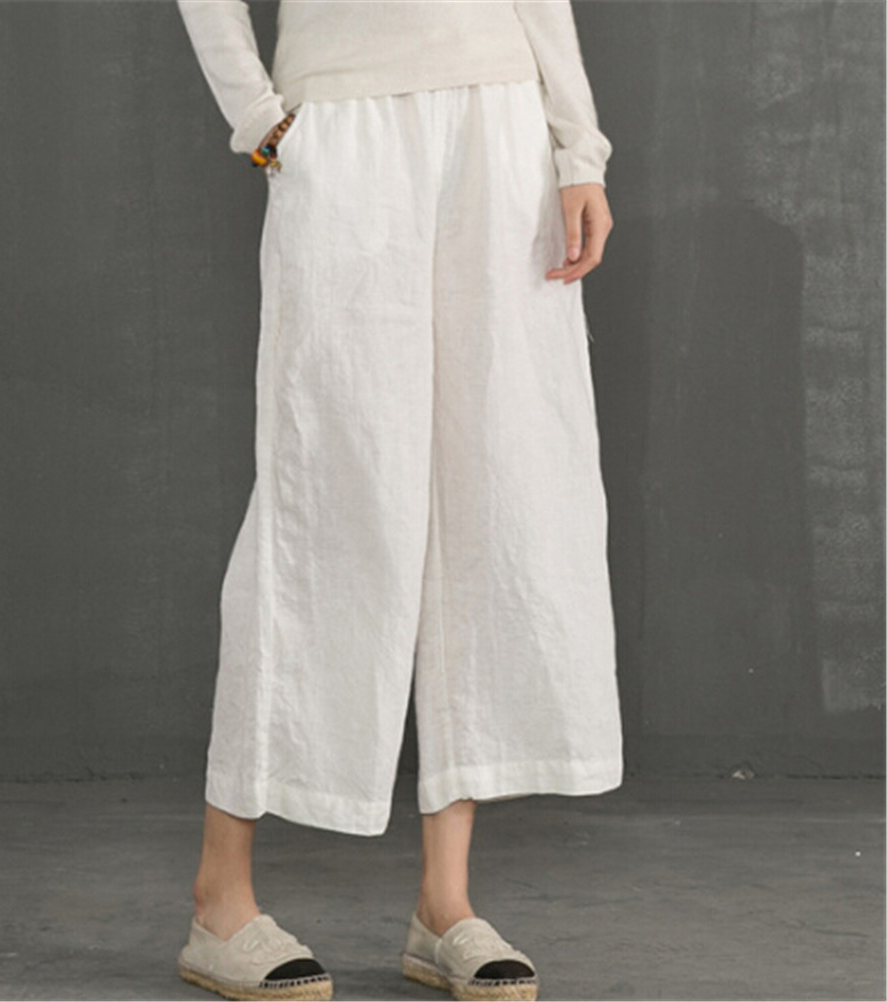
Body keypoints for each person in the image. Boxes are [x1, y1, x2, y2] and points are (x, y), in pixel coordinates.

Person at [174, 2, 623, 999]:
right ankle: (221, 900)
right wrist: (257, 116)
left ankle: (445, 904)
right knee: (323, 499)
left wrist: (576, 146)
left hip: (500, 123)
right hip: (343, 128)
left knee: (494, 493)